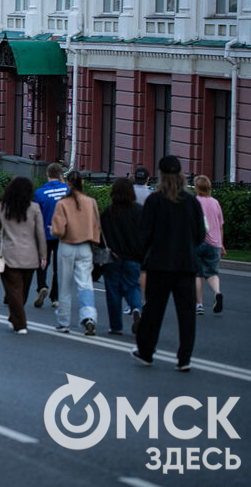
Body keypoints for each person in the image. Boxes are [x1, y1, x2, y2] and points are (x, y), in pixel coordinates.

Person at [133, 156, 205, 371]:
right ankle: (184, 358)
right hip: (185, 264)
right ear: (181, 175)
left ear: (161, 175)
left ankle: (146, 352)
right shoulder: (191, 201)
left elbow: (144, 234)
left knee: (153, 311)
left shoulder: (155, 200)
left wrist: (145, 255)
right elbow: (200, 235)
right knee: (186, 314)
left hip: (159, 264)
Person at [0, 177, 46, 334]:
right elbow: (40, 233)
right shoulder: (34, 208)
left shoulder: (3, 207)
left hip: (9, 254)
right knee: (23, 290)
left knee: (13, 290)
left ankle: (19, 323)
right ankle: (17, 319)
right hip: (31, 255)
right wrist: (43, 254)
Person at [50, 170, 102, 335]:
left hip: (66, 246)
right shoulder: (91, 202)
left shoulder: (63, 203)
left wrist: (53, 231)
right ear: (82, 184)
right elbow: (96, 226)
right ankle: (89, 317)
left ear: (68, 184)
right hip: (86, 246)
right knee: (85, 284)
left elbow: (58, 230)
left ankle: (64, 321)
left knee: (64, 285)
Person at [100, 178, 145, 335]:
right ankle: (136, 308)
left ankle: (116, 326)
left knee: (113, 291)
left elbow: (102, 234)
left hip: (112, 257)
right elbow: (144, 235)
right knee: (133, 286)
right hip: (133, 257)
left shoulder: (108, 212)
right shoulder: (139, 210)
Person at [33, 163, 69, 308]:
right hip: (62, 234)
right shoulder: (67, 190)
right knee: (58, 267)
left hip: (44, 233)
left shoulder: (40, 193)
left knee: (42, 261)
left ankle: (42, 286)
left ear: (47, 174)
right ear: (60, 175)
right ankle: (55, 297)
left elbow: (36, 214)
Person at [193, 175, 224, 315]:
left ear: (197, 187)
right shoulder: (215, 202)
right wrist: (221, 244)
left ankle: (199, 304)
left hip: (198, 241)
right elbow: (221, 225)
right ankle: (217, 293)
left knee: (197, 274)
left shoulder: (194, 202)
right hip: (215, 242)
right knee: (212, 273)